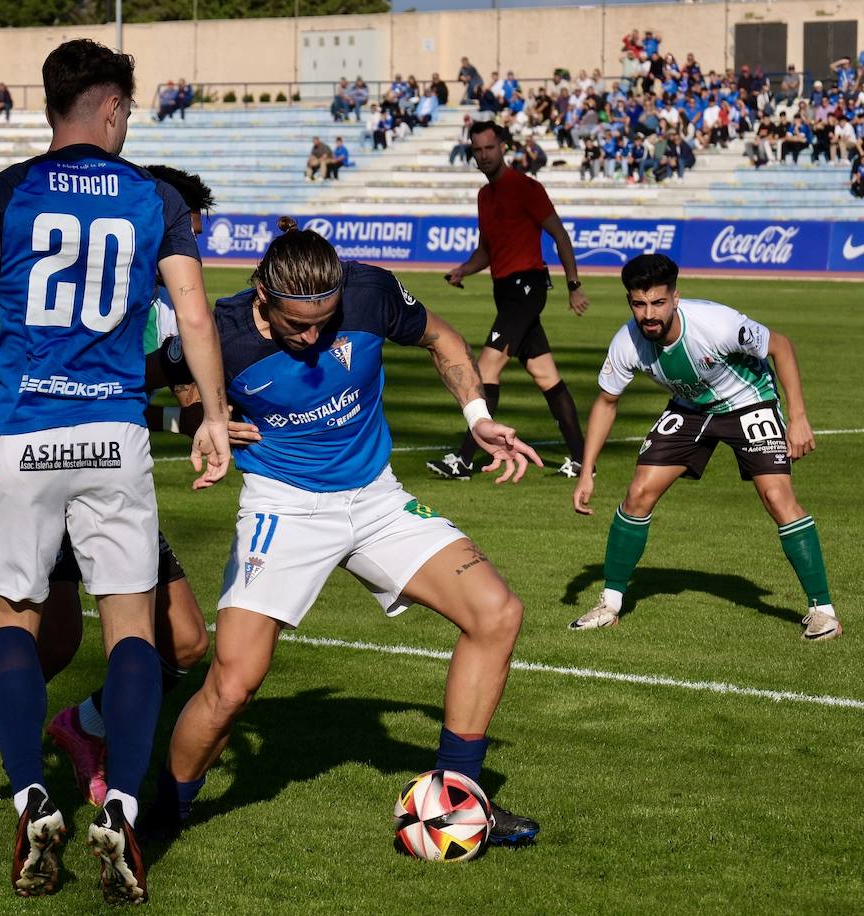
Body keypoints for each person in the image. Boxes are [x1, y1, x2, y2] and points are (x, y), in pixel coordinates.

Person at [0, 38, 229, 904]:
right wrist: (212, 414)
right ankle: (128, 807)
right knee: (132, 631)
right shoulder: (155, 195)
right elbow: (194, 314)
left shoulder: (3, 191)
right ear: (108, 106)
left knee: (14, 623)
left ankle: (30, 796)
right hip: (114, 437)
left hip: (25, 438)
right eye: (129, 111)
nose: (129, 123)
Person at [147, 218, 544, 850]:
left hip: (377, 499)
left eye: (324, 322)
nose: (312, 337)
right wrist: (195, 420)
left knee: (497, 613)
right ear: (261, 295)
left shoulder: (368, 292)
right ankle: (161, 814)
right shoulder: (216, 332)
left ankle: (459, 799)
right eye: (296, 324)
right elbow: (139, 391)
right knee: (233, 684)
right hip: (285, 506)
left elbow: (443, 339)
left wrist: (478, 418)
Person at [570, 254, 840, 642]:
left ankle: (823, 611)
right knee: (638, 493)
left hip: (748, 399)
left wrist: (797, 417)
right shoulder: (626, 342)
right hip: (691, 408)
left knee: (776, 496)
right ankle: (609, 605)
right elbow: (606, 402)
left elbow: (781, 346)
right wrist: (586, 471)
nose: (649, 314)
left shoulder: (717, 324)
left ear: (675, 298)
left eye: (658, 303)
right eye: (639, 304)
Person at [428, 121, 590, 481]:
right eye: (477, 150)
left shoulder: (527, 188)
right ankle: (582, 459)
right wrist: (463, 271)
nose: (483, 155)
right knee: (545, 375)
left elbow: (560, 236)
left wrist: (574, 285)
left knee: (485, 370)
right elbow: (486, 251)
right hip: (507, 293)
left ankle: (463, 459)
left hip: (526, 290)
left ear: (503, 146)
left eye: (489, 148)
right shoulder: (484, 197)